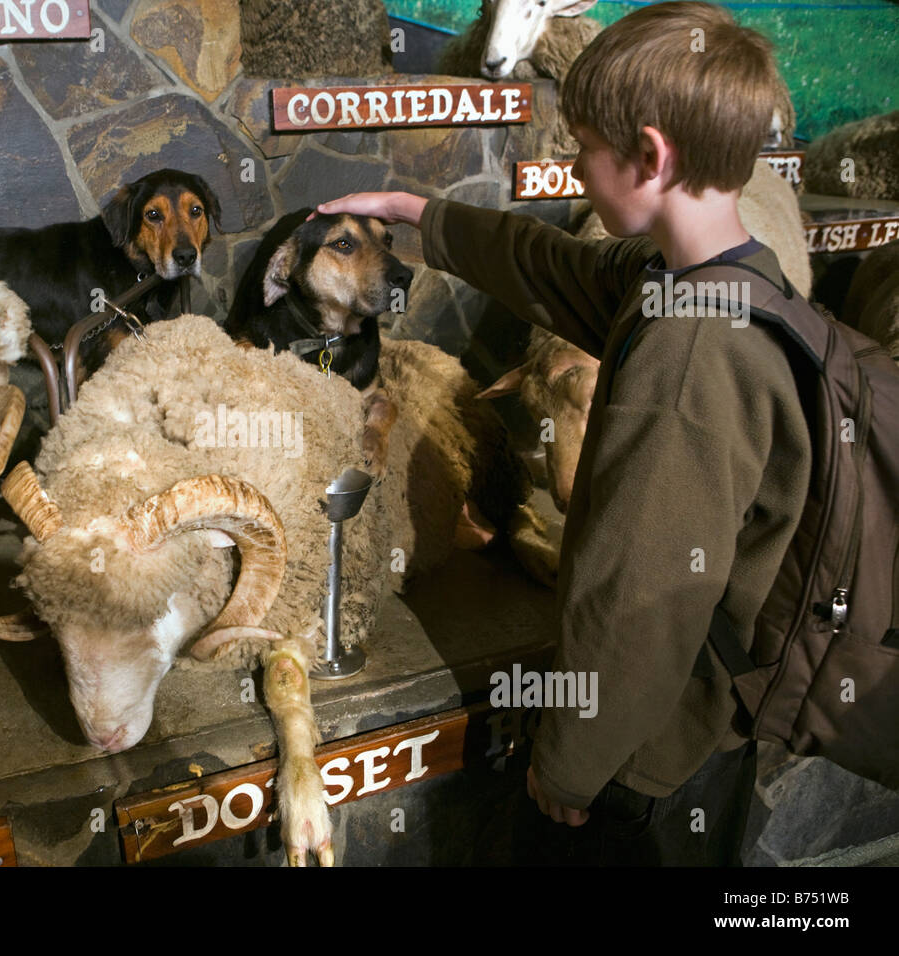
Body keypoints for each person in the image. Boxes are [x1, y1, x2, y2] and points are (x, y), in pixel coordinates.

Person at [314, 1, 810, 865]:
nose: (574, 168)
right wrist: (416, 212)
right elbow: (551, 266)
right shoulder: (711, 275)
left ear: (650, 157)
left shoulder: (688, 359)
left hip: (643, 766)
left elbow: (639, 600)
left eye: (583, 148)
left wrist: (570, 767)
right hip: (674, 733)